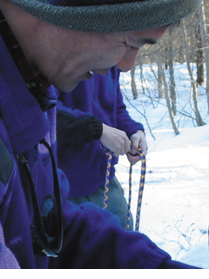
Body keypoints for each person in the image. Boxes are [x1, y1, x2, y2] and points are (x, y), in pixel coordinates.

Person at [0, 0, 203, 269]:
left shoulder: (27, 83)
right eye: (132, 42)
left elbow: (50, 226)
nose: (126, 66)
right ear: (67, 13)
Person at [56, 67, 146, 229]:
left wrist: (134, 132)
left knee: (125, 242)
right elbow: (47, 112)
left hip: (104, 180)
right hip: (61, 187)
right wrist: (98, 130)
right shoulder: (61, 58)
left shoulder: (111, 63)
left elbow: (116, 108)